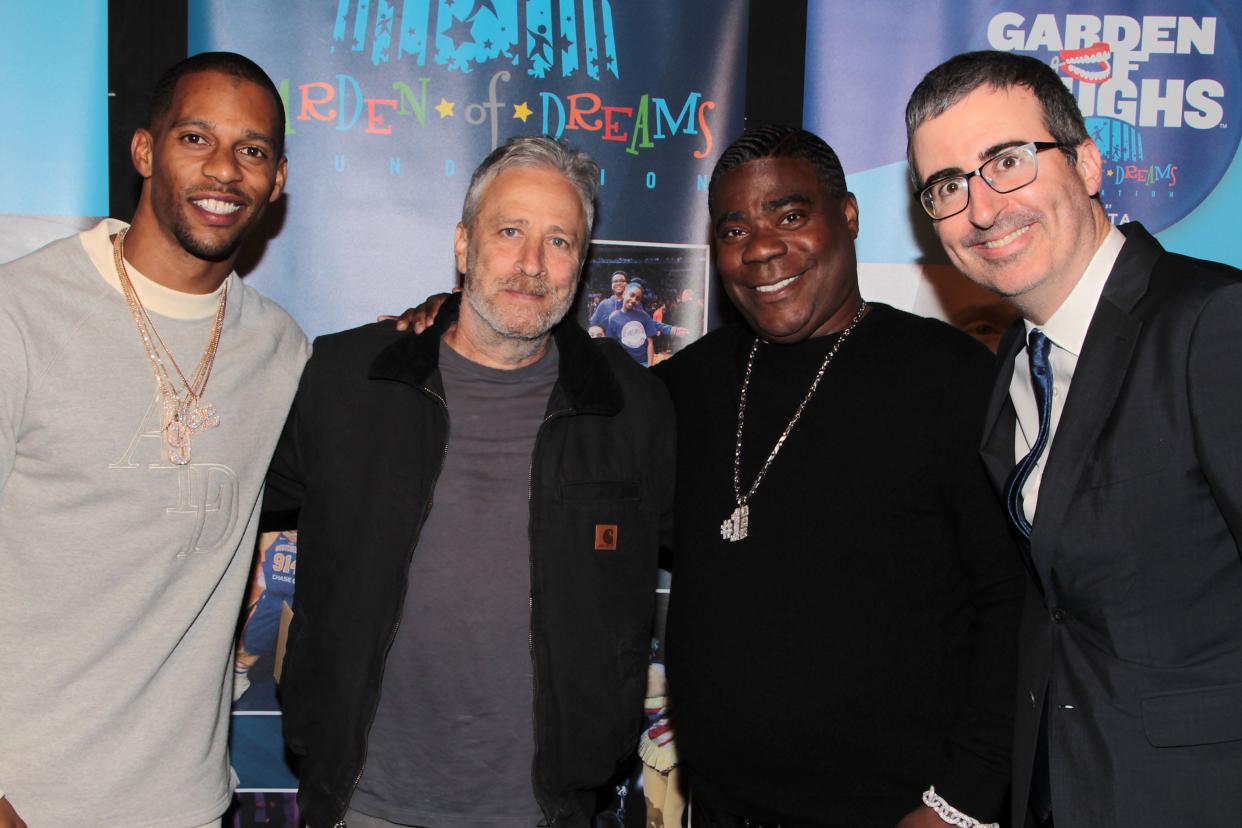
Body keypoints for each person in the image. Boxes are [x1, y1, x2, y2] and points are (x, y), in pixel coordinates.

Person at [396, 125, 1023, 828]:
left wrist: (963, 803)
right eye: (734, 228)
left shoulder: (953, 382)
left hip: (906, 812)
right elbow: (547, 384)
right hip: (722, 808)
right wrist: (455, 321)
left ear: (846, 216)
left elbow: (1015, 604)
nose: (761, 246)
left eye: (790, 214)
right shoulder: (680, 391)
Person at [264, 136, 675, 828]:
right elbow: (216, 510)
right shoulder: (346, 380)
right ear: (463, 246)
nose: (531, 265)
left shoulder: (632, 409)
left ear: (583, 263)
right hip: (363, 805)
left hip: (543, 810)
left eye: (559, 241)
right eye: (509, 232)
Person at [906, 50, 1242, 828]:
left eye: (1009, 161)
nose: (982, 209)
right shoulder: (1013, 368)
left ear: (1087, 163)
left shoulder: (1210, 323)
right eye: (947, 186)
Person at [0, 52, 307, 827]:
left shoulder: (281, 351)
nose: (226, 170)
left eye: (254, 150)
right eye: (196, 138)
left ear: (276, 181)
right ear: (145, 150)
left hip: (188, 803)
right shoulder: (21, 316)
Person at [606, 282, 659, 366]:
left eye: (637, 298)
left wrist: (650, 366)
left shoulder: (644, 316)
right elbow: (612, 346)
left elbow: (650, 343)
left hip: (644, 363)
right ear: (624, 294)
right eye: (631, 295)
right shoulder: (613, 318)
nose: (634, 300)